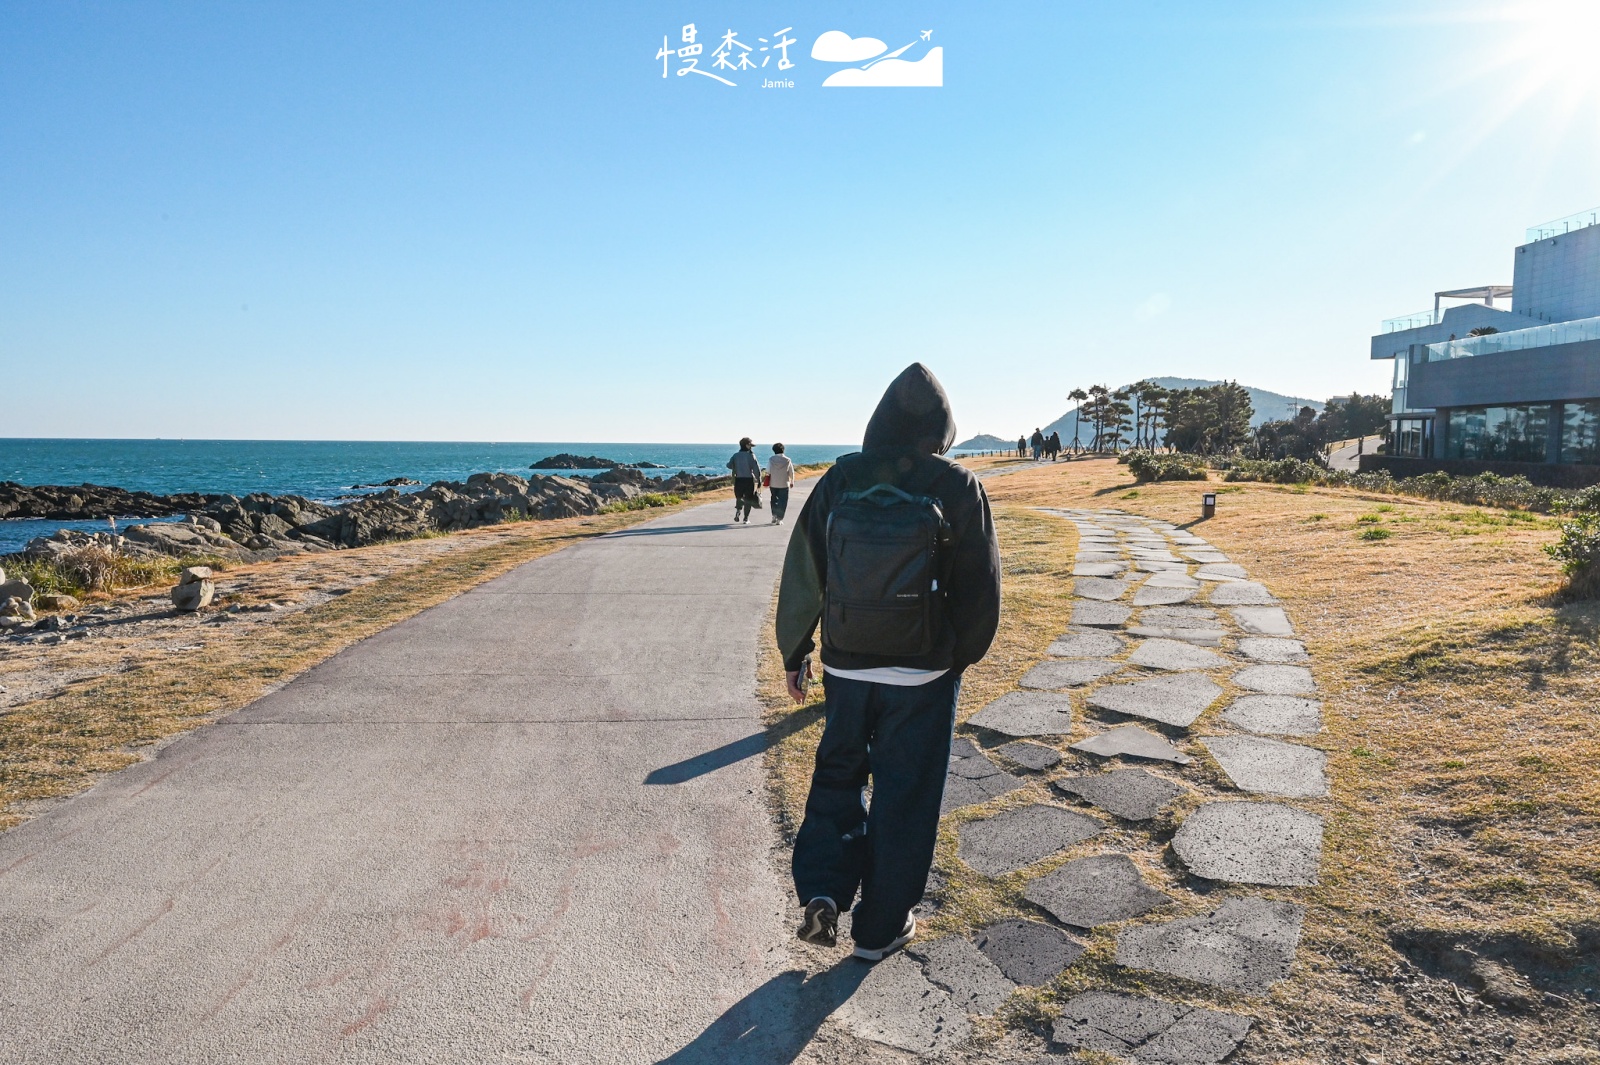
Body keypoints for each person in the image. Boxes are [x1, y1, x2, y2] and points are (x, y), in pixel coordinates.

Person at [777, 363, 1001, 961]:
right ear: (943, 427)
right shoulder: (957, 485)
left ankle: (823, 890)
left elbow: (805, 568)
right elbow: (982, 590)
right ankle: (878, 930)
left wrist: (796, 652)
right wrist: (955, 659)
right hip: (923, 674)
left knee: (836, 779)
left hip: (847, 668)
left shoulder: (841, 478)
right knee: (905, 797)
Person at [727, 438, 763, 524]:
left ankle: (738, 510)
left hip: (738, 480)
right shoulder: (751, 456)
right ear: (746, 445)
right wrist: (759, 480)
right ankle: (746, 518)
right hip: (748, 480)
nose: (751, 447)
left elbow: (729, 465)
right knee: (748, 500)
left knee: (739, 497)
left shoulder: (735, 455)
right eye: (750, 445)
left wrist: (737, 466)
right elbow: (756, 470)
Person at [767, 442, 795, 525]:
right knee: (783, 501)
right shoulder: (787, 460)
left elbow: (768, 471)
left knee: (774, 499)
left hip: (773, 483)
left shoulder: (771, 459)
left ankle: (774, 515)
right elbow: (791, 472)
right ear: (783, 450)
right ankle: (779, 519)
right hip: (784, 483)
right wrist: (792, 481)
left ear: (774, 450)